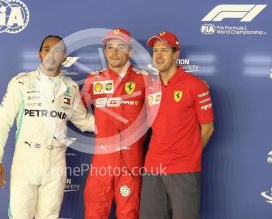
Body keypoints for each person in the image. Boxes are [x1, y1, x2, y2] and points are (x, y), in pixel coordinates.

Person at [0, 35, 95, 219]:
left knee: (50, 216)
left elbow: (83, 120)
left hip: (56, 162)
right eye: (47, 49)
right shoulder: (21, 83)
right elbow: (2, 121)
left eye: (58, 50)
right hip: (26, 160)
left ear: (64, 56)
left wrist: (119, 123)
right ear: (40, 54)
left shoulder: (70, 88)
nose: (51, 55)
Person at [139, 31, 215, 219]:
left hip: (183, 168)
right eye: (155, 50)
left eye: (164, 50)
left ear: (176, 54)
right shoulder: (149, 87)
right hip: (153, 168)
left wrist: (189, 153)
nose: (158, 55)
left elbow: (208, 128)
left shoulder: (195, 85)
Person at [82, 28, 151, 219]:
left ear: (130, 51)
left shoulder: (144, 78)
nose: (114, 52)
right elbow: (75, 109)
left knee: (129, 213)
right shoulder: (94, 79)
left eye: (121, 47)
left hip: (131, 160)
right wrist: (93, 125)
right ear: (104, 51)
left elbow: (164, 104)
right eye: (109, 47)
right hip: (101, 160)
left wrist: (193, 85)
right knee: (94, 212)